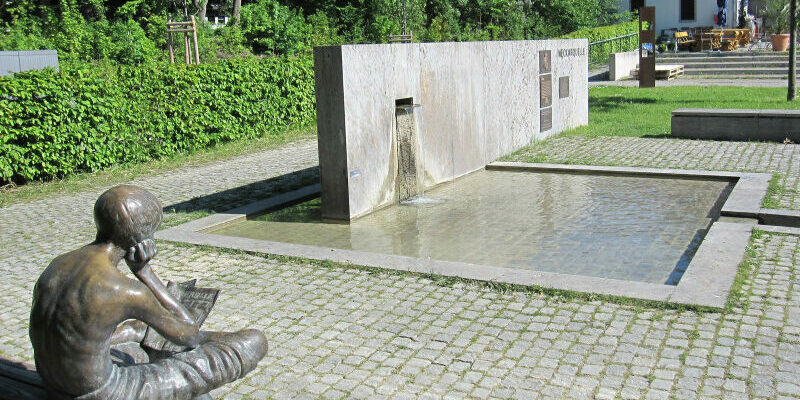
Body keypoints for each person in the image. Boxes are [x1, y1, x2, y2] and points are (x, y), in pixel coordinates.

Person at [29, 185, 267, 400]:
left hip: (54, 386)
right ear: (142, 237)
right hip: (106, 393)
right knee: (253, 342)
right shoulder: (126, 291)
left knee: (141, 330)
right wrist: (145, 272)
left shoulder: (57, 266)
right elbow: (190, 334)